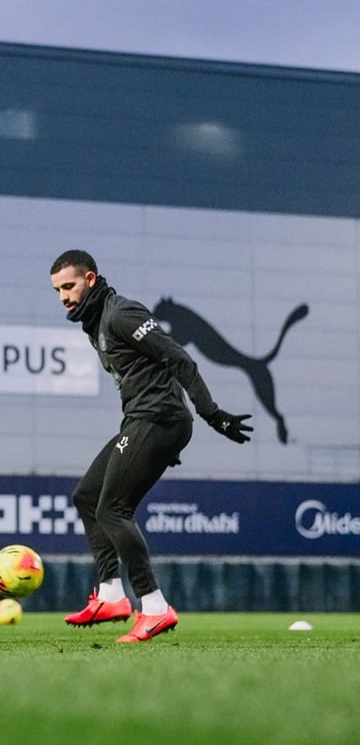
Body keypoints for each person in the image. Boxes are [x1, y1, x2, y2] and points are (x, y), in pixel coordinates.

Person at [49, 249, 252, 643]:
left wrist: (212, 414)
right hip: (146, 421)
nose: (63, 297)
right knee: (87, 496)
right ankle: (111, 595)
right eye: (57, 290)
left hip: (159, 418)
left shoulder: (121, 314)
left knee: (113, 509)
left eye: (69, 286)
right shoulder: (95, 322)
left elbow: (179, 359)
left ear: (90, 279)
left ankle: (155, 607)